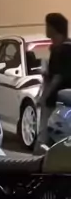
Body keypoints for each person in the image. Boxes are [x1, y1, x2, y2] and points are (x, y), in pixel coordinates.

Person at [35, 12, 71, 151]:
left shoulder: (60, 50)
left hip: (54, 100)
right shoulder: (65, 47)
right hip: (65, 102)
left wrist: (44, 97)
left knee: (44, 136)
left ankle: (40, 160)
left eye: (47, 25)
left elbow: (57, 77)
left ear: (53, 28)